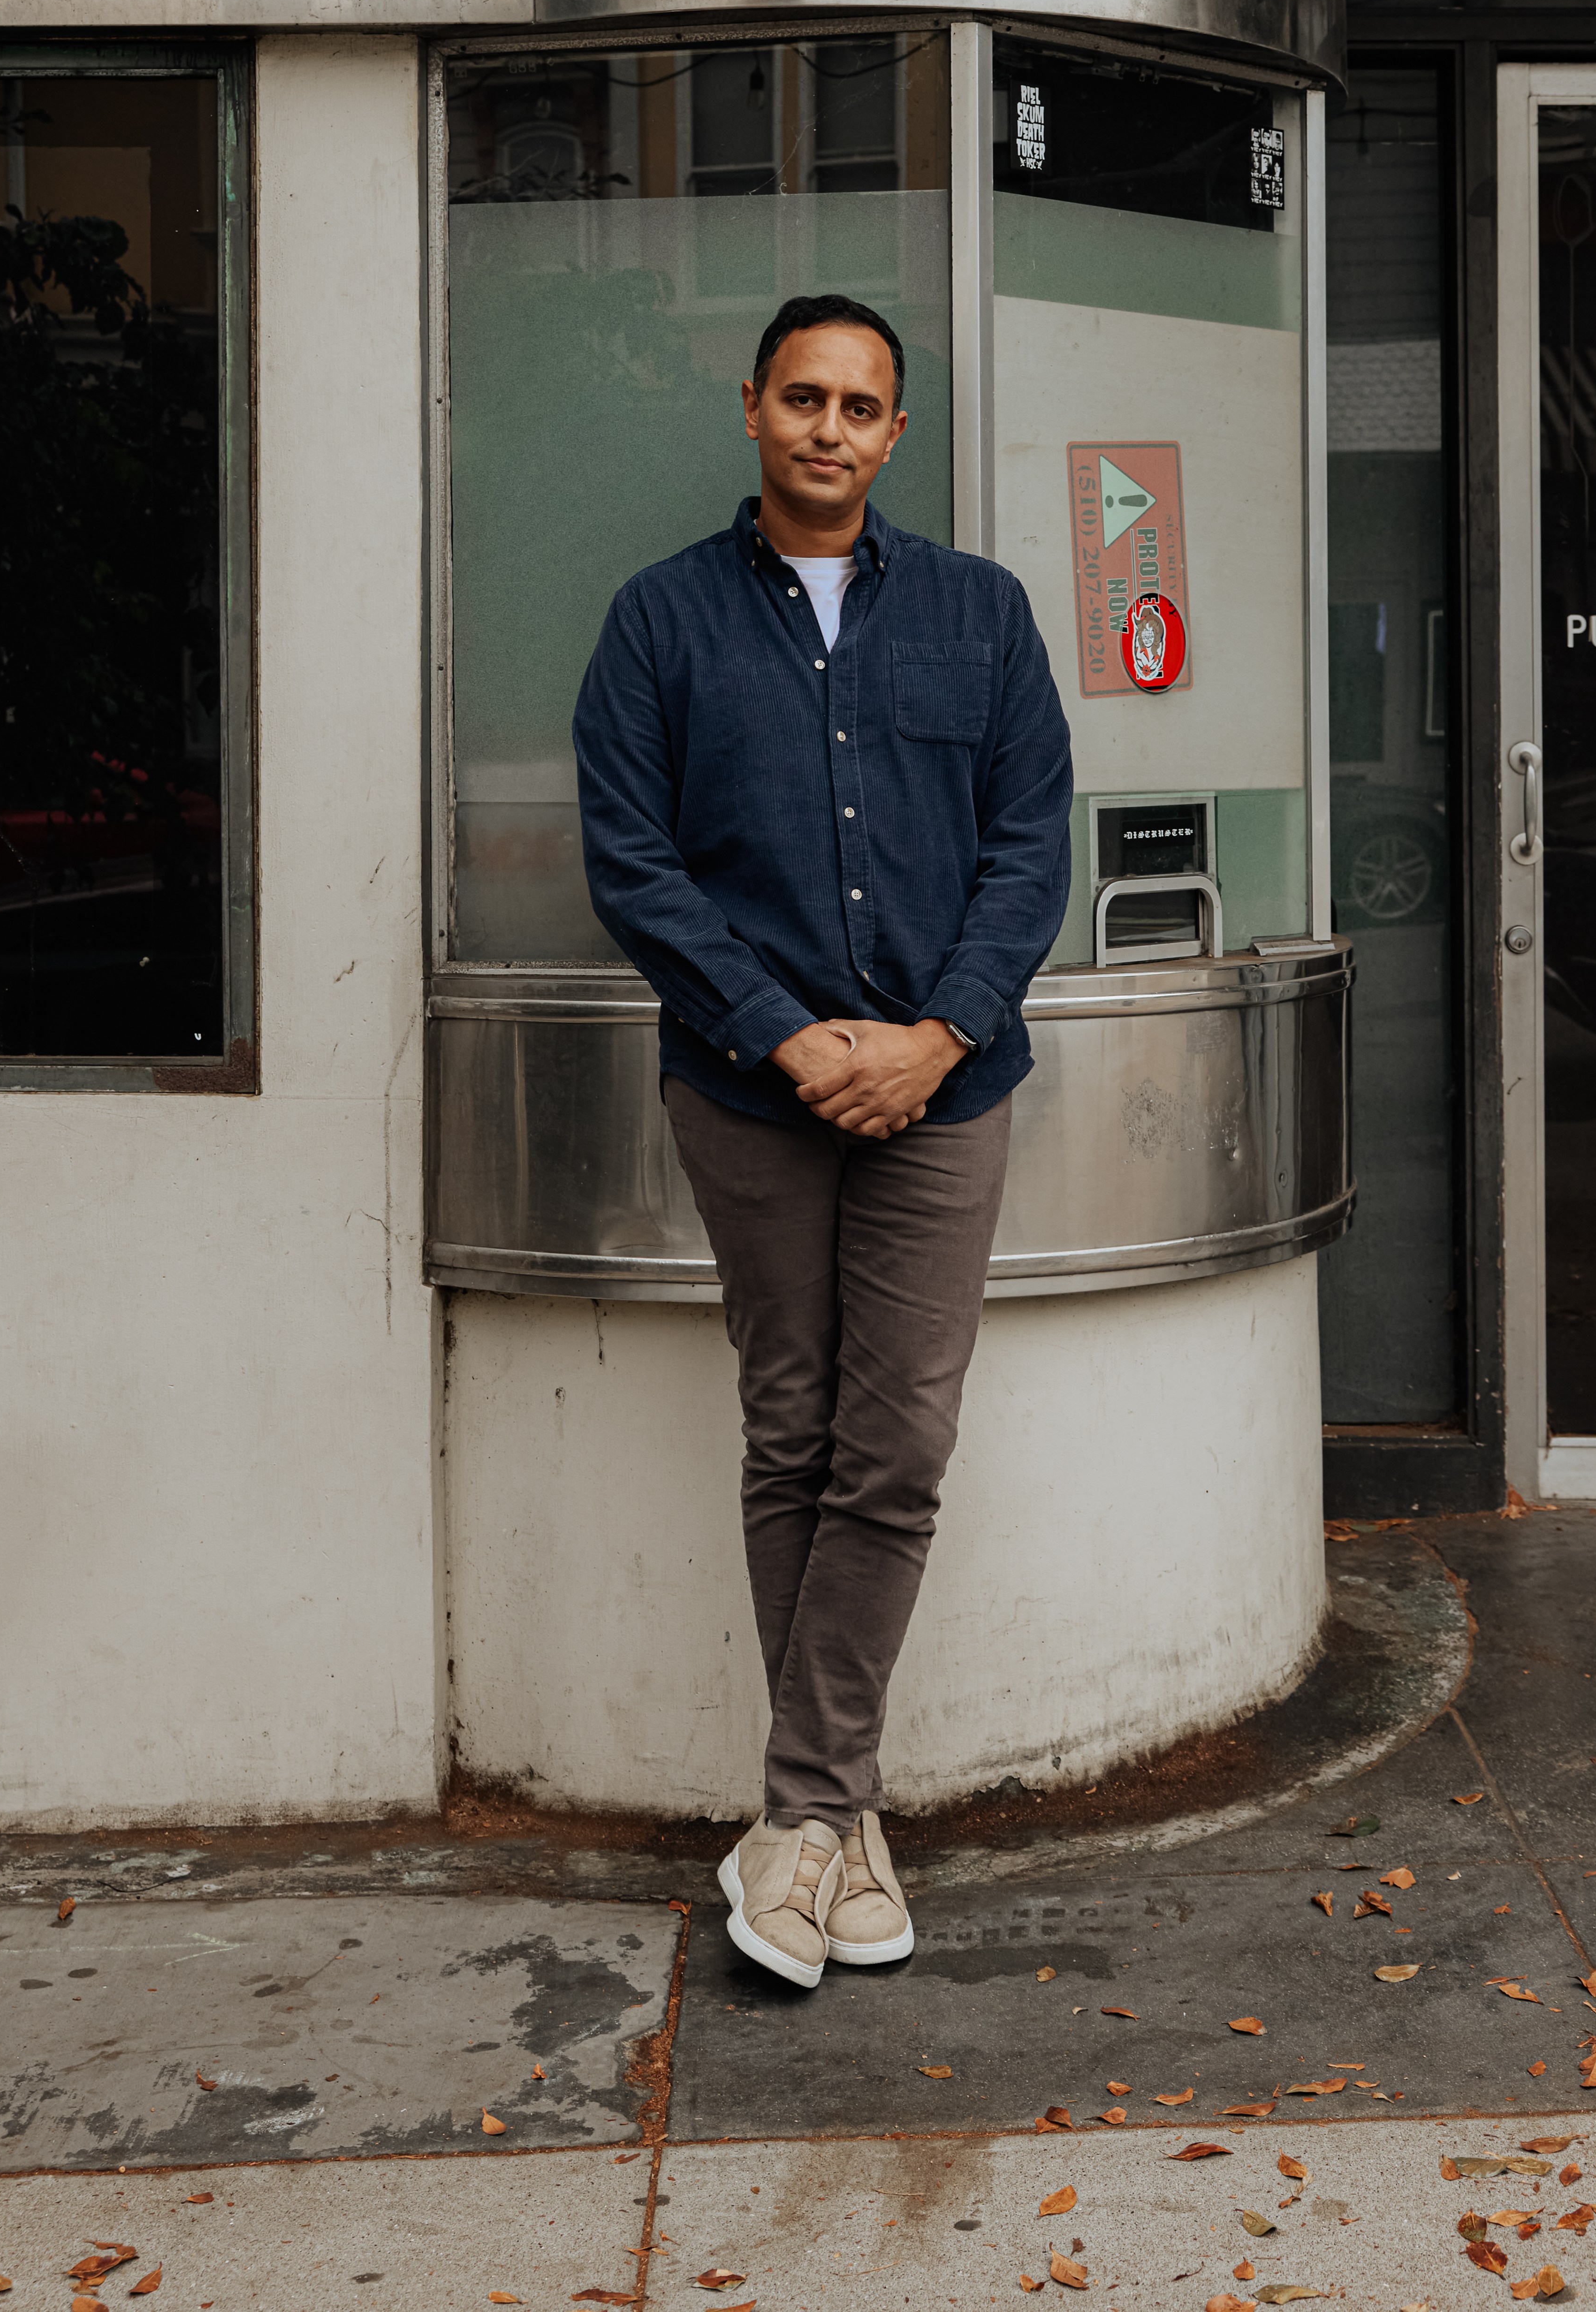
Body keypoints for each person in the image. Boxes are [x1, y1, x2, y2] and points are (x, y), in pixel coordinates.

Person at [573, 291, 1073, 1988]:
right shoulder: (659, 624)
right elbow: (633, 865)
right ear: (753, 411)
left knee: (898, 1448)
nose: (831, 429)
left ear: (897, 433)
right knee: (792, 1426)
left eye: (863, 405)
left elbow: (1030, 850)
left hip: (949, 1087)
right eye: (805, 398)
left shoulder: (984, 617)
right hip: (748, 1092)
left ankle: (799, 1813)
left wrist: (931, 1038)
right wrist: (790, 1037)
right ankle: (837, 1828)